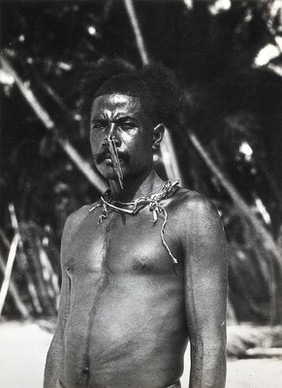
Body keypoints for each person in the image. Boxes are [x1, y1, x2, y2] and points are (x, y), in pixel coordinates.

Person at [44, 61, 227, 388]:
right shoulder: (77, 223)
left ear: (155, 136)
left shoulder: (190, 216)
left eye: (125, 124)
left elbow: (208, 344)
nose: (109, 138)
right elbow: (60, 339)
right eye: (99, 125)